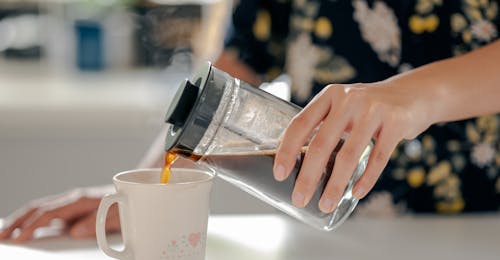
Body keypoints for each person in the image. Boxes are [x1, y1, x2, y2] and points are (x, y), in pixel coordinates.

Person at [1, 0, 499, 243]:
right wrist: (145, 196)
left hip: (484, 235)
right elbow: (234, 71)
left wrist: (419, 96)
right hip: (331, 240)